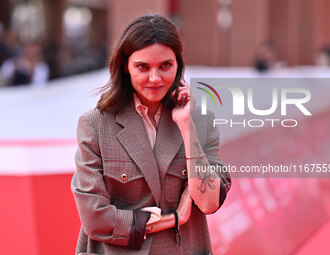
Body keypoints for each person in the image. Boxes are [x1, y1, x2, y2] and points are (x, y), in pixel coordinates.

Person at [71, 14, 231, 255]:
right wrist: (175, 218)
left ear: (178, 62)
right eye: (143, 67)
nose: (155, 78)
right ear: (126, 65)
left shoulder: (200, 121)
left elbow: (208, 203)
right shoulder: (95, 124)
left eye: (165, 65)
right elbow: (95, 218)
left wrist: (187, 128)